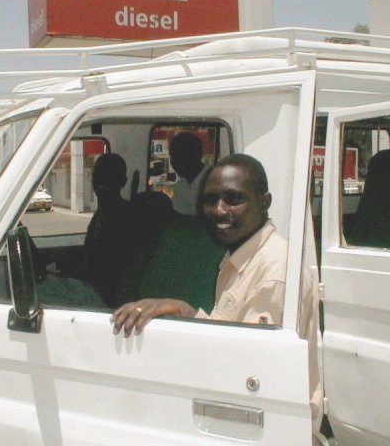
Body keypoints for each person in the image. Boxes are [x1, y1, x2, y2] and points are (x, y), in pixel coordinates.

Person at [110, 153, 322, 443]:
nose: (219, 210)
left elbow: (253, 375)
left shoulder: (275, 271)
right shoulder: (243, 254)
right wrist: (184, 312)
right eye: (210, 200)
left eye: (233, 199)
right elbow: (233, 338)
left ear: (265, 201)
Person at [82, 153, 135, 307]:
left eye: (109, 176)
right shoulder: (101, 213)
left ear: (123, 182)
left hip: (105, 300)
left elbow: (113, 271)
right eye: (98, 175)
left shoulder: (125, 216)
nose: (102, 181)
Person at [168, 132, 210, 215]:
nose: (177, 161)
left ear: (198, 155)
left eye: (183, 155)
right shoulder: (180, 185)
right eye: (173, 156)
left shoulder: (213, 181)